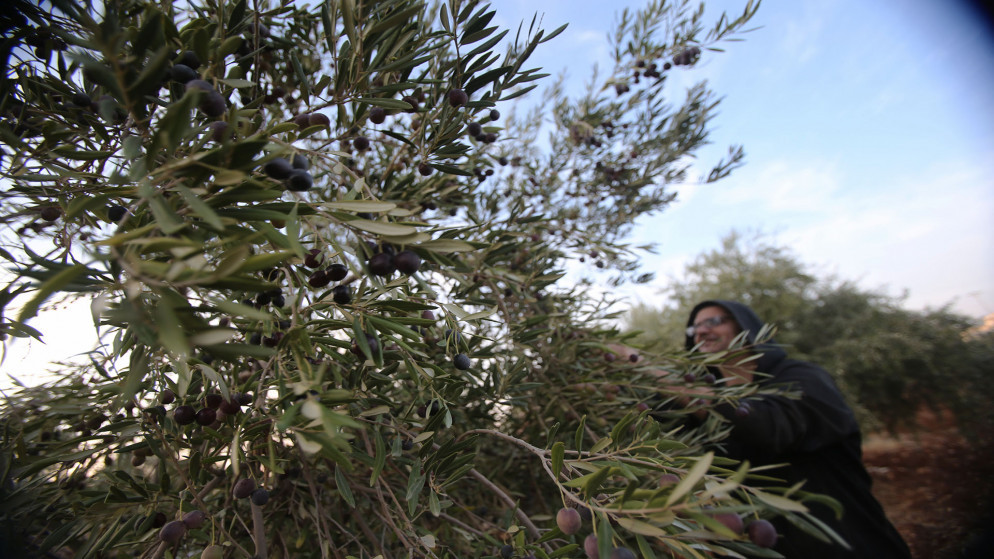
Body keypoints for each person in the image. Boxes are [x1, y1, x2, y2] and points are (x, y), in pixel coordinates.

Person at [680, 300, 911, 558]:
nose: (700, 331)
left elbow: (770, 426)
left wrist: (671, 386)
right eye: (694, 328)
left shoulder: (801, 377)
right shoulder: (697, 409)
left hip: (847, 544)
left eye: (714, 321)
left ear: (747, 326)